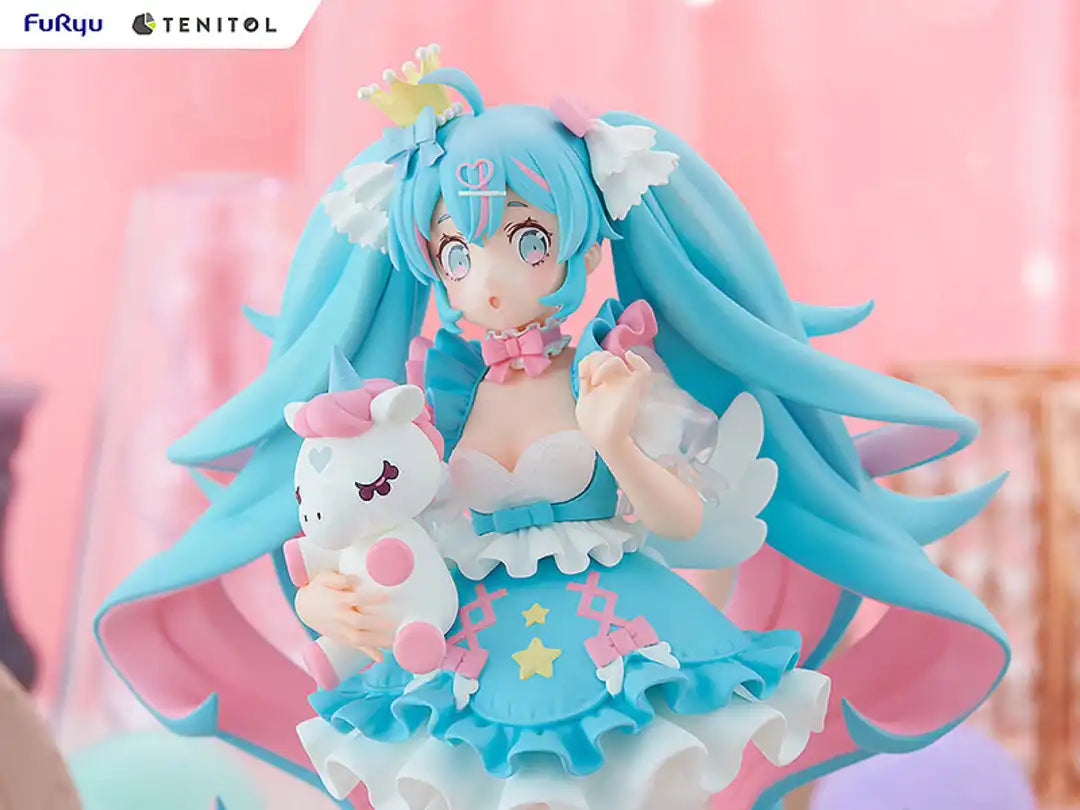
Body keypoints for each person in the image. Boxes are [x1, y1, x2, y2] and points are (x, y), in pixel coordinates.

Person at [95, 44, 1009, 810]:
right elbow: (379, 529)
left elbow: (683, 523)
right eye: (458, 251)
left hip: (618, 639)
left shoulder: (615, 371)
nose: (490, 279)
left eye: (526, 239)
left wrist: (616, 442)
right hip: (469, 657)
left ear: (582, 239)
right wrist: (325, 603)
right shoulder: (428, 398)